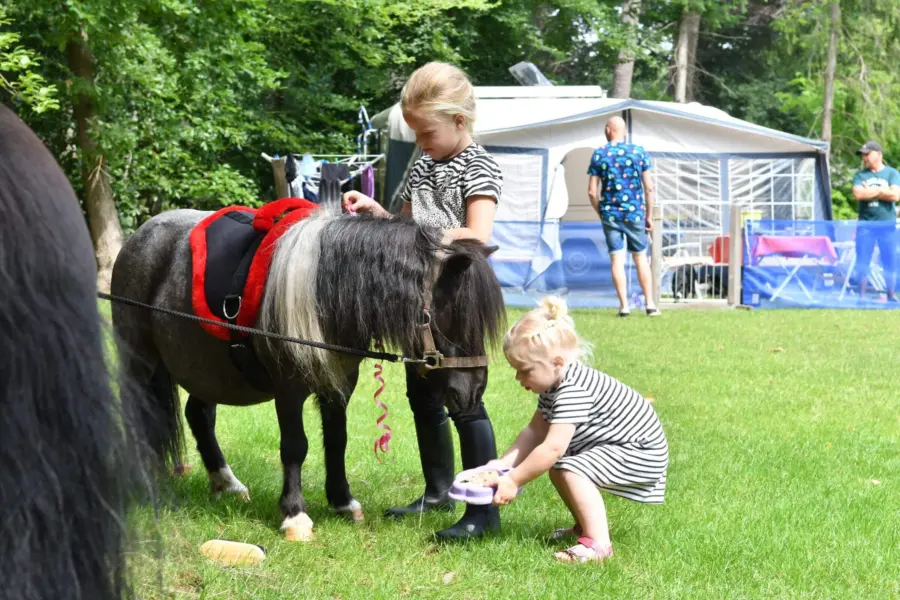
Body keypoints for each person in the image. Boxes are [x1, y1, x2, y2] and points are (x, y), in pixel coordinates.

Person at [342, 62, 504, 539]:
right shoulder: (424, 165)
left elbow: (477, 234)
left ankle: (483, 512)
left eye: (426, 131)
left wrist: (420, 232)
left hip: (459, 294)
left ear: (459, 121)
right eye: (413, 132)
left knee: (465, 399)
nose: (419, 142)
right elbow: (404, 223)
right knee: (423, 395)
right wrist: (379, 214)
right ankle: (437, 492)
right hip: (421, 296)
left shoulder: (480, 164)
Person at [484, 296, 668, 563]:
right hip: (621, 446)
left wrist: (513, 480)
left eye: (524, 370)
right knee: (560, 469)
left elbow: (553, 447)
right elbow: (534, 432)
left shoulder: (573, 391)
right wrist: (502, 465)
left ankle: (599, 545)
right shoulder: (553, 385)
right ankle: (584, 528)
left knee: (568, 467)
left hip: (640, 452)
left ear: (557, 362)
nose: (518, 378)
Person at [587, 116, 660, 317]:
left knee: (616, 260)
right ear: (624, 131)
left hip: (610, 214)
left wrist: (600, 212)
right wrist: (649, 215)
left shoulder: (599, 154)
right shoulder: (639, 152)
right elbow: (650, 188)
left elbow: (592, 192)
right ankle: (650, 305)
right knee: (640, 258)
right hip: (635, 213)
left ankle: (624, 307)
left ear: (608, 130)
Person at [851, 141, 900, 301]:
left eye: (867, 154)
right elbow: (858, 194)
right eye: (863, 155)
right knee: (863, 259)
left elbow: (896, 196)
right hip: (866, 225)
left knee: (889, 259)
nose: (864, 158)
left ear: (878, 154)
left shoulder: (892, 173)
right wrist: (883, 190)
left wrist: (872, 191)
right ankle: (862, 296)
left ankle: (891, 295)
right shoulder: (860, 175)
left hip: (887, 225)